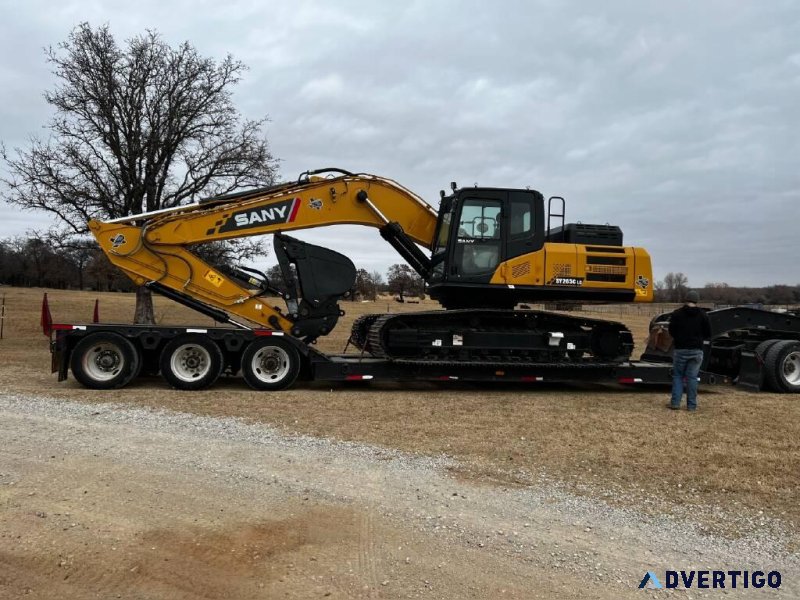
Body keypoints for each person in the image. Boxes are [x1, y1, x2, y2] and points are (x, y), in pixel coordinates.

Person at [667, 290, 711, 411]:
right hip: (696, 350)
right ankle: (691, 406)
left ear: (686, 300)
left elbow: (671, 331)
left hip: (680, 349)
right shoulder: (703, 315)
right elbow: (708, 333)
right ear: (697, 300)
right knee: (692, 378)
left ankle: (675, 403)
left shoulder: (677, 314)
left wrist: (679, 338)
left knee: (678, 376)